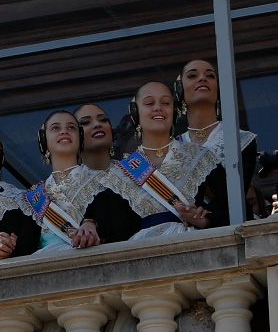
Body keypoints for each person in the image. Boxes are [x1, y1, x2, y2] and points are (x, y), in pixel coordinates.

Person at [26, 110, 144, 251]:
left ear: (80, 138)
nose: (64, 131)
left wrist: (93, 223)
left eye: (71, 127)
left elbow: (125, 224)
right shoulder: (33, 199)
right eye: (55, 128)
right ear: (43, 141)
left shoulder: (108, 180)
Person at [118, 80, 222, 238]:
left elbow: (234, 205)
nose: (158, 108)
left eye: (166, 103)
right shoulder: (120, 171)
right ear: (135, 113)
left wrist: (206, 219)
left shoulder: (200, 156)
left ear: (174, 111)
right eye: (149, 103)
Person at [178, 58, 259, 201]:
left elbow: (232, 198)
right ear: (180, 89)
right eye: (192, 76)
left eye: (210, 75)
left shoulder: (241, 140)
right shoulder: (172, 147)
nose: (202, 78)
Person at [75, 103, 117, 172]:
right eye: (85, 122)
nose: (97, 124)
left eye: (103, 120)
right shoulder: (70, 181)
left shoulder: (134, 173)